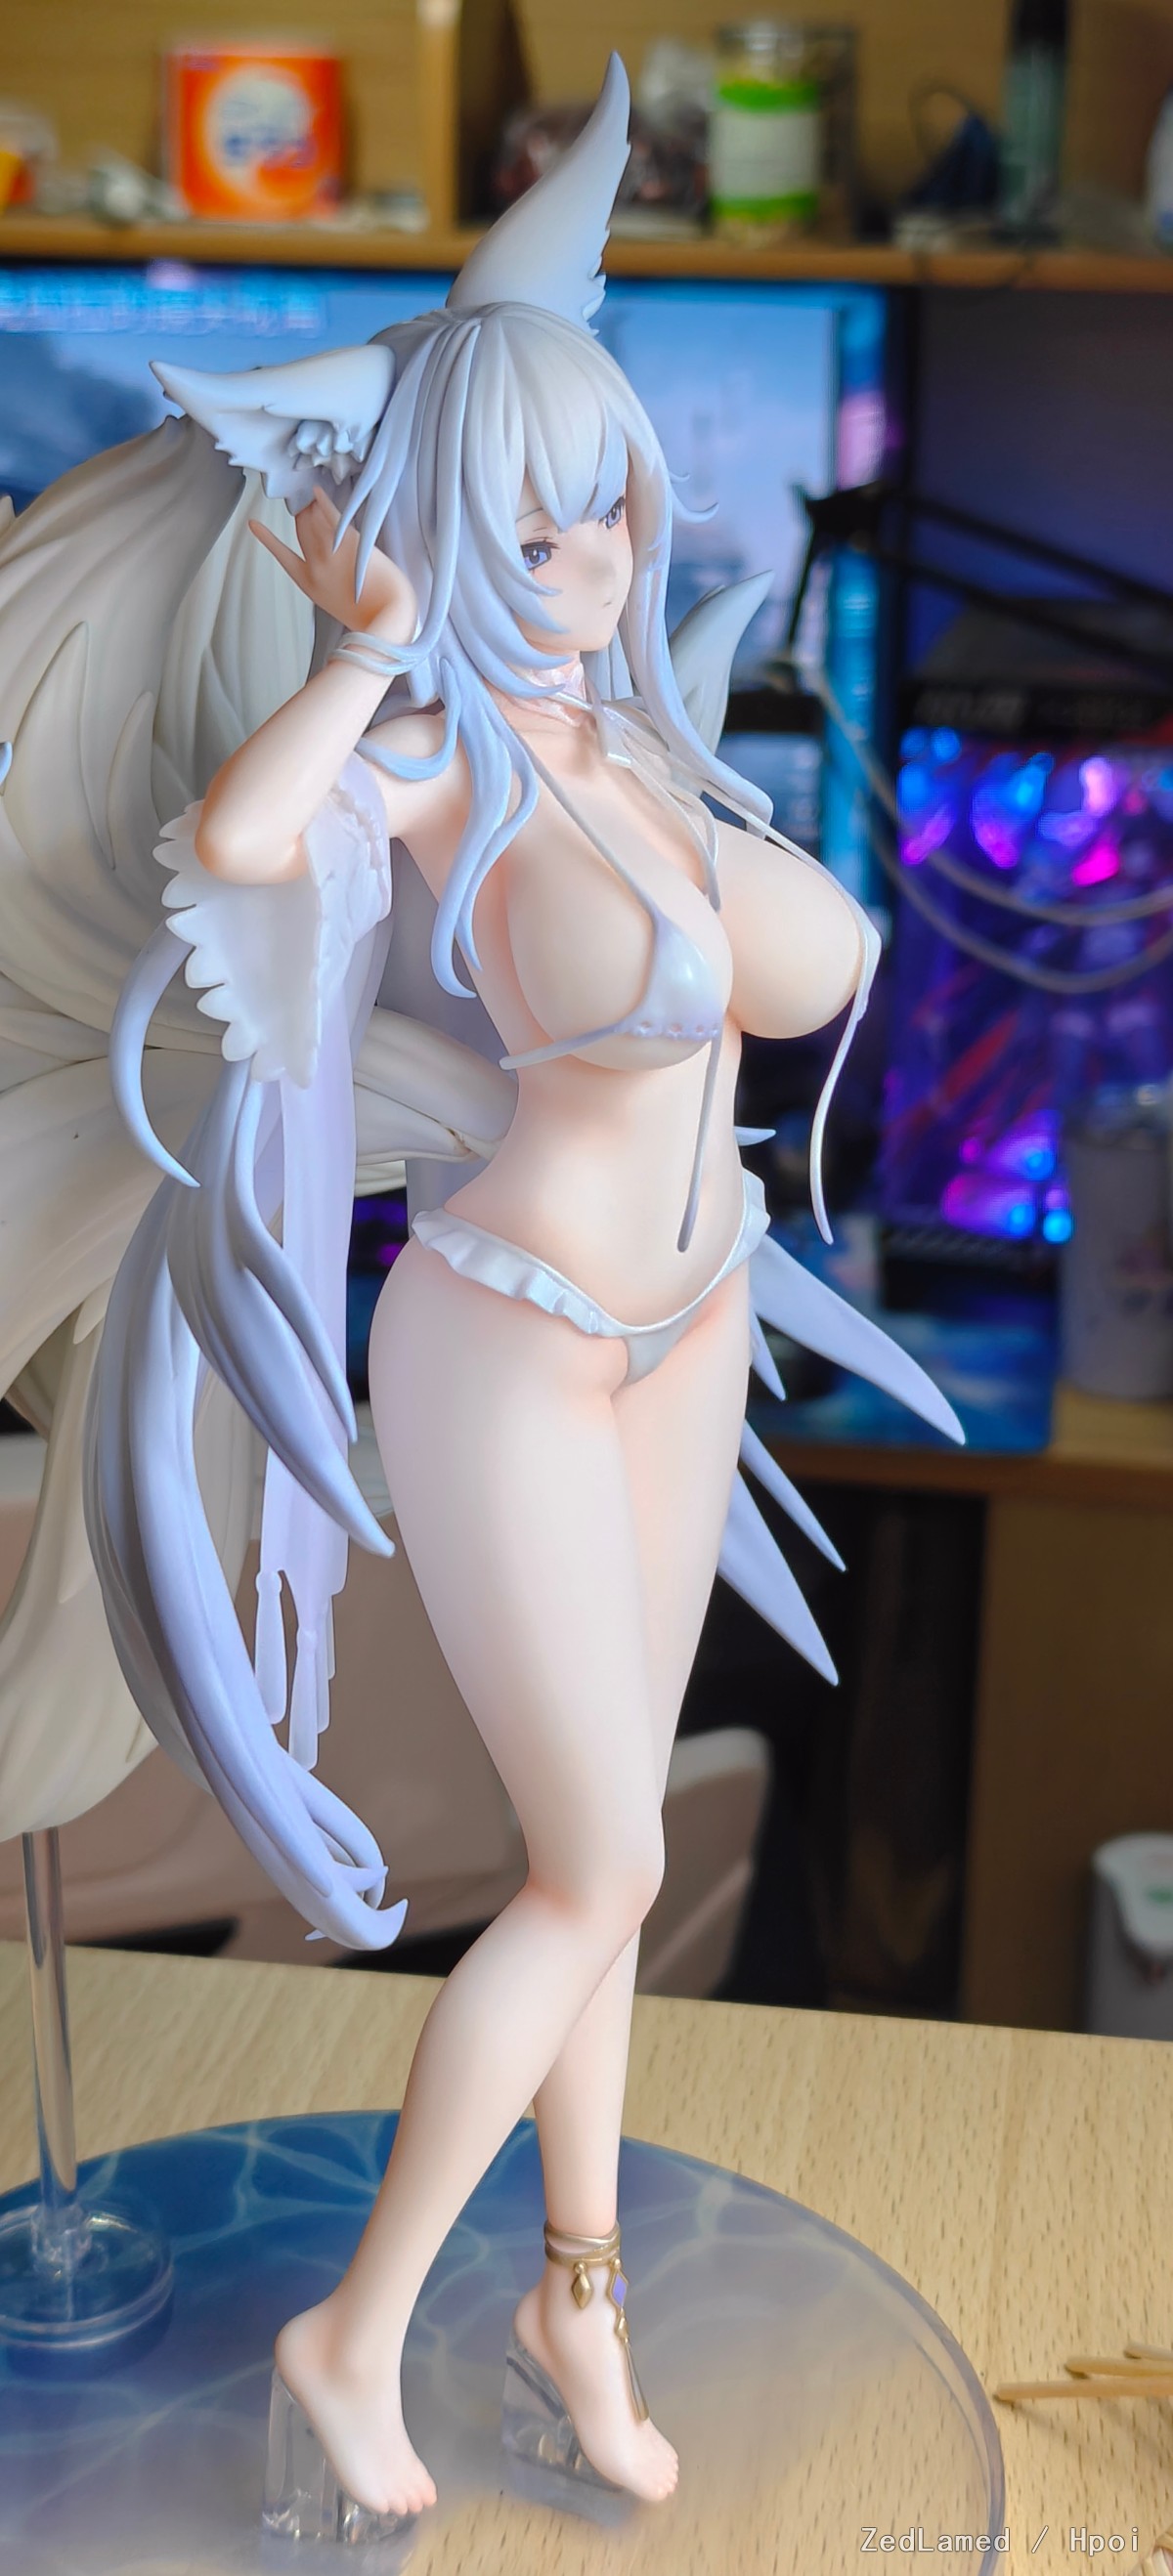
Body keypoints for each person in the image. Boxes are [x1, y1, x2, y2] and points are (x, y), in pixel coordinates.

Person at [0, 56, 959, 2535]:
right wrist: (365, 650)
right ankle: (353, 2334)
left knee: (601, 1840)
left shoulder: (635, 746)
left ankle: (578, 2303)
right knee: (599, 1868)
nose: (595, 556)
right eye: (538, 521)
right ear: (446, 527)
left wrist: (717, 826)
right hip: (512, 1336)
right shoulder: (433, 753)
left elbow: (813, 963)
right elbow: (242, 838)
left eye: (611, 505)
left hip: (689, 1315)